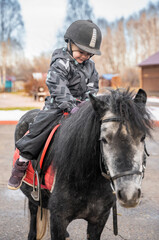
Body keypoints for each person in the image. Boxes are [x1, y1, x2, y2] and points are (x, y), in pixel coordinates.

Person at [7, 19, 102, 190]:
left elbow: (92, 88)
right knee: (39, 129)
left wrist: (87, 106)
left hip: (82, 108)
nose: (85, 56)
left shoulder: (91, 67)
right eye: (82, 52)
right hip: (57, 106)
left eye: (89, 54)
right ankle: (21, 163)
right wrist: (71, 106)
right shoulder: (60, 61)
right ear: (70, 43)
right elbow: (58, 86)